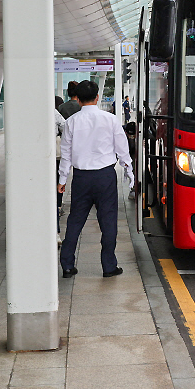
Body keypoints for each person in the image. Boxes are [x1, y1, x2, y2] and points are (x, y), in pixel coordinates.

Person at [58, 80, 134, 278]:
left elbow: (65, 154)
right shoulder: (110, 120)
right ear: (97, 97)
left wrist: (62, 179)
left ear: (78, 99)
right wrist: (129, 172)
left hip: (81, 177)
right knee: (108, 222)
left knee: (75, 221)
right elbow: (122, 149)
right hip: (105, 176)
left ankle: (67, 265)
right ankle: (109, 266)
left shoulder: (71, 122)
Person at [54, 107, 67, 243]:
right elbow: (64, 128)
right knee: (53, 199)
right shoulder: (54, 112)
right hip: (51, 160)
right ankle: (55, 233)